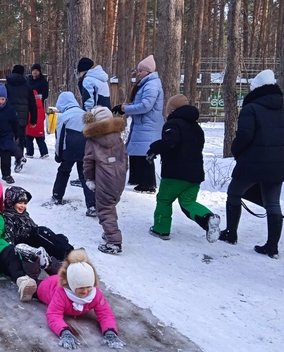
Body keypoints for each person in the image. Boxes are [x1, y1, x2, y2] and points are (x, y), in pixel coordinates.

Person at [219, 69, 284, 258]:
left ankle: (231, 233)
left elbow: (244, 135)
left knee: (234, 193)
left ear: (256, 89)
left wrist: (235, 150)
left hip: (253, 162)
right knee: (273, 203)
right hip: (278, 164)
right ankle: (272, 247)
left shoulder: (251, 109)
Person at [146, 95, 221, 242]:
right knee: (188, 203)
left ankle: (161, 229)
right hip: (195, 175)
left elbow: (170, 141)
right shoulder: (196, 127)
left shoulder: (173, 124)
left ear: (172, 109)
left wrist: (154, 149)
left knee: (164, 200)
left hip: (175, 174)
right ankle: (208, 218)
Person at [36, 249, 124, 350]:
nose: (86, 291)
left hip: (63, 279)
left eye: (88, 286)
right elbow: (53, 315)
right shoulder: (61, 294)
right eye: (81, 287)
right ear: (72, 285)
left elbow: (105, 314)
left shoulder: (95, 294)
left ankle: (49, 263)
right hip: (45, 287)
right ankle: (32, 261)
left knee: (65, 273)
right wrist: (64, 332)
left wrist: (110, 331)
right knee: (29, 284)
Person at [83, 106, 128, 254]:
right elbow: (125, 157)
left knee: (105, 209)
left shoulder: (93, 140)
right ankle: (110, 231)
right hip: (119, 177)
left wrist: (89, 178)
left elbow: (88, 161)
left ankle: (114, 241)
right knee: (111, 205)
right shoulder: (117, 136)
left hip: (103, 179)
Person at [2, 186, 72, 279]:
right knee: (41, 232)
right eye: (19, 203)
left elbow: (33, 226)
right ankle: (68, 253)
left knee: (59, 237)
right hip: (22, 245)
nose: (23, 206)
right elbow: (10, 239)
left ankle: (62, 252)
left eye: (24, 203)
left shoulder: (24, 215)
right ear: (11, 203)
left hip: (31, 240)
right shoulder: (8, 218)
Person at [120, 55, 164, 193]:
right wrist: (127, 106)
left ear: (148, 71)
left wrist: (126, 109)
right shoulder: (146, 84)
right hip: (143, 123)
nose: (138, 73)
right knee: (136, 150)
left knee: (145, 152)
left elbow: (146, 106)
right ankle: (136, 178)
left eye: (140, 71)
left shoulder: (151, 85)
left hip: (148, 125)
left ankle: (148, 184)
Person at [51, 92, 96, 215]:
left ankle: (57, 196)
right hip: (85, 150)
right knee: (85, 176)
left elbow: (60, 138)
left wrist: (58, 154)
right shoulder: (85, 114)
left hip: (69, 151)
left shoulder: (64, 117)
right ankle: (92, 205)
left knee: (63, 172)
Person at [6, 64, 37, 156]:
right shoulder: (27, 86)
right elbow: (32, 104)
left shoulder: (7, 86)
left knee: (8, 135)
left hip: (8, 116)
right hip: (22, 118)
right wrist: (33, 120)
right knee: (21, 137)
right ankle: (19, 157)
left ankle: (8, 154)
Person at [25, 89, 48, 158]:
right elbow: (44, 116)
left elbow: (28, 116)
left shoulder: (30, 106)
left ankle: (30, 153)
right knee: (40, 140)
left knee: (29, 140)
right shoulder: (41, 106)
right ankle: (44, 152)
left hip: (31, 126)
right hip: (39, 127)